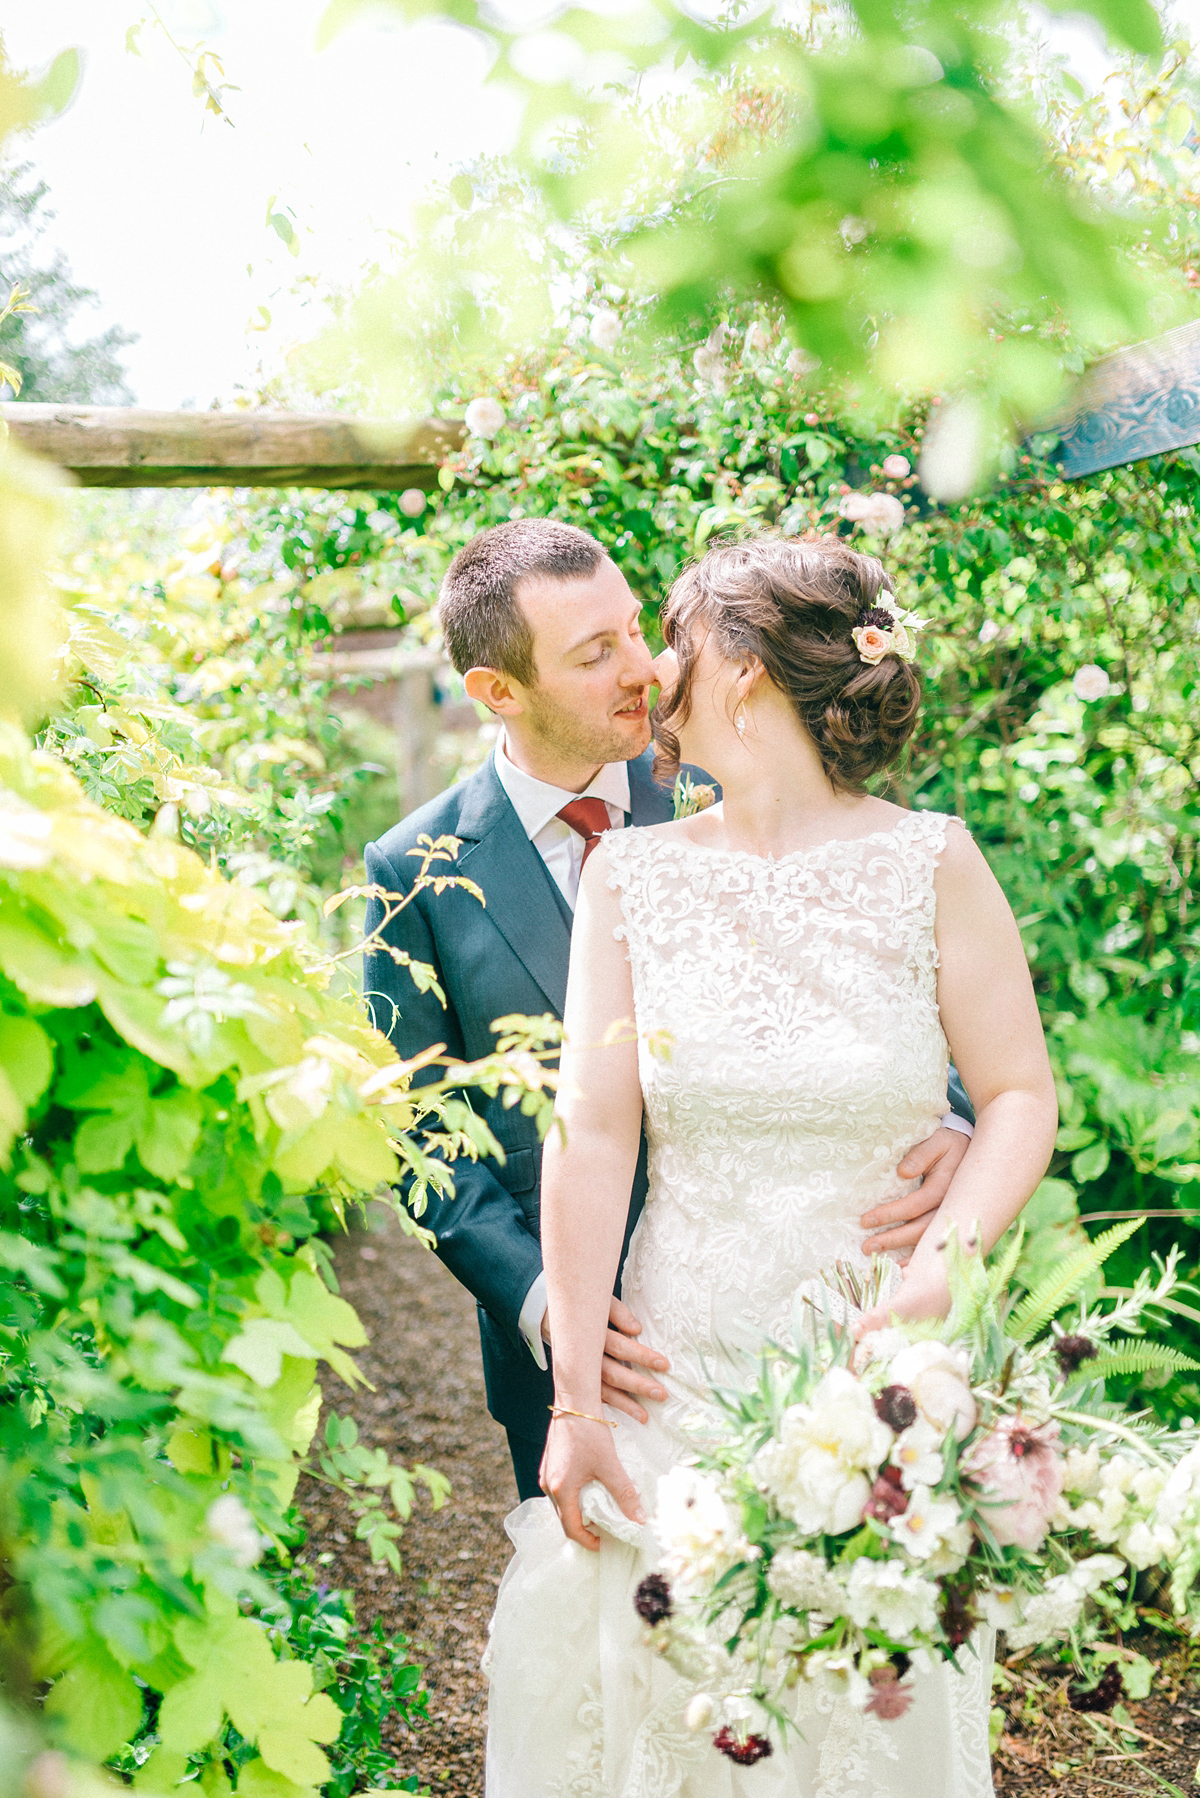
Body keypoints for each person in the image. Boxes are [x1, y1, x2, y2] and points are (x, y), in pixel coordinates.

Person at [484, 535, 1058, 1796]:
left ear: (739, 671)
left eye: (673, 636)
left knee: (860, 1704)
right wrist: (576, 1400)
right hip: (678, 1367)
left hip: (873, 1365)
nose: (652, 668)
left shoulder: (932, 861)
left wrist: (939, 1268)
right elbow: (593, 1133)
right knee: (662, 1711)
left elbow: (1019, 1093)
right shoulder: (631, 877)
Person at [363, 520, 975, 1504]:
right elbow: (420, 1129)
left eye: (636, 628)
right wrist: (546, 1307)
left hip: (838, 1288)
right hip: (604, 1346)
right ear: (498, 692)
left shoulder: (732, 775)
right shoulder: (414, 870)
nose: (644, 666)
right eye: (595, 652)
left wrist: (951, 1117)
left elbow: (871, 971)